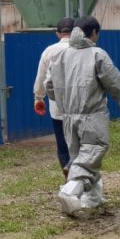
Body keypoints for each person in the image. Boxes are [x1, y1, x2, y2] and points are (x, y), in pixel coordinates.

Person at [45, 15, 120, 216]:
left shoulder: (59, 55)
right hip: (91, 115)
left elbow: (49, 86)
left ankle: (92, 198)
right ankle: (70, 191)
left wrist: (65, 101)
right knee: (93, 152)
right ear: (93, 33)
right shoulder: (96, 53)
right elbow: (113, 80)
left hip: (67, 117)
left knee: (80, 156)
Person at [33, 17, 75, 179]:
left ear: (58, 34)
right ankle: (83, 179)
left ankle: (68, 177)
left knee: (62, 145)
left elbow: (42, 77)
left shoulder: (49, 51)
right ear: (76, 31)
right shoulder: (83, 49)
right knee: (81, 144)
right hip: (81, 107)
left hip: (57, 107)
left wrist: (38, 97)